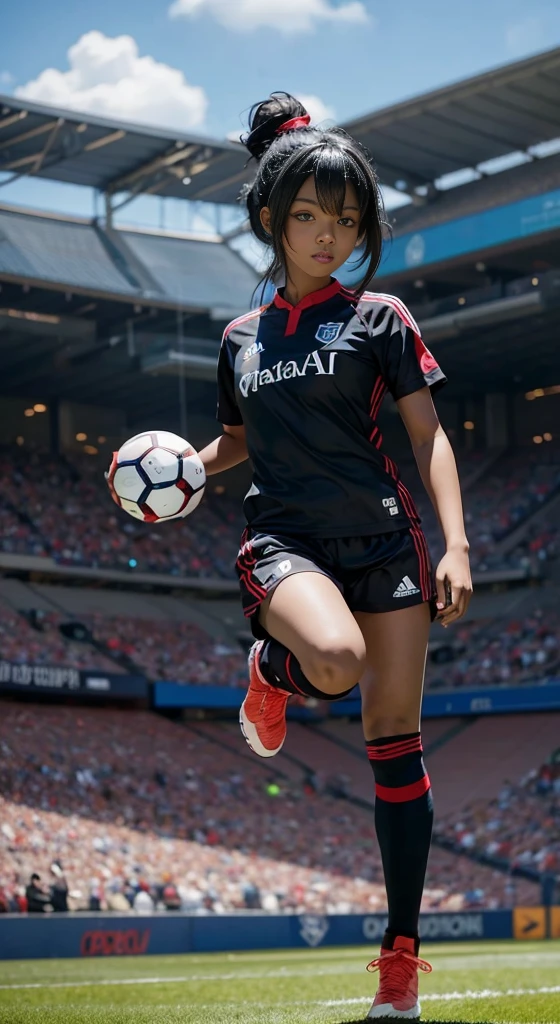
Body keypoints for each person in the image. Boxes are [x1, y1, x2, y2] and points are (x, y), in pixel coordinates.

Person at [197, 93, 472, 1019]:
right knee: (338, 662)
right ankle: (269, 668)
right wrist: (185, 470)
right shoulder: (238, 339)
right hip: (286, 540)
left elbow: (428, 437)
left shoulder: (383, 319)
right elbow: (235, 439)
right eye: (309, 216)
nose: (327, 236)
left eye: (346, 220)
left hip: (386, 545)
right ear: (271, 217)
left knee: (396, 751)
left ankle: (399, 968)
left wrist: (456, 543)